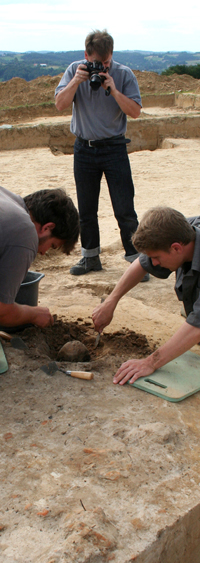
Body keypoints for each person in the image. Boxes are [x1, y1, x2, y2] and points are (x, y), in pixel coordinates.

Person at [55, 29, 148, 280]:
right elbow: (60, 104)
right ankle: (90, 257)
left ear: (112, 56)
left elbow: (136, 112)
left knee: (124, 208)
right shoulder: (74, 70)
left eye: (106, 63)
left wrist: (114, 90)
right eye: (98, 62)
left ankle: (136, 262)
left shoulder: (124, 74)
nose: (102, 67)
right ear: (86, 55)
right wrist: (76, 81)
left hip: (114, 148)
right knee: (86, 209)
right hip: (84, 148)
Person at [92, 207, 200, 385]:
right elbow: (142, 263)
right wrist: (110, 302)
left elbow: (197, 327)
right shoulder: (183, 230)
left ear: (176, 248)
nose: (154, 263)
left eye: (156, 257)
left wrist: (150, 362)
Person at [0, 186, 79, 329]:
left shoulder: (6, 197)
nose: (43, 252)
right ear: (47, 228)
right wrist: (33, 314)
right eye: (52, 246)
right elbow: (2, 312)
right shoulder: (24, 232)